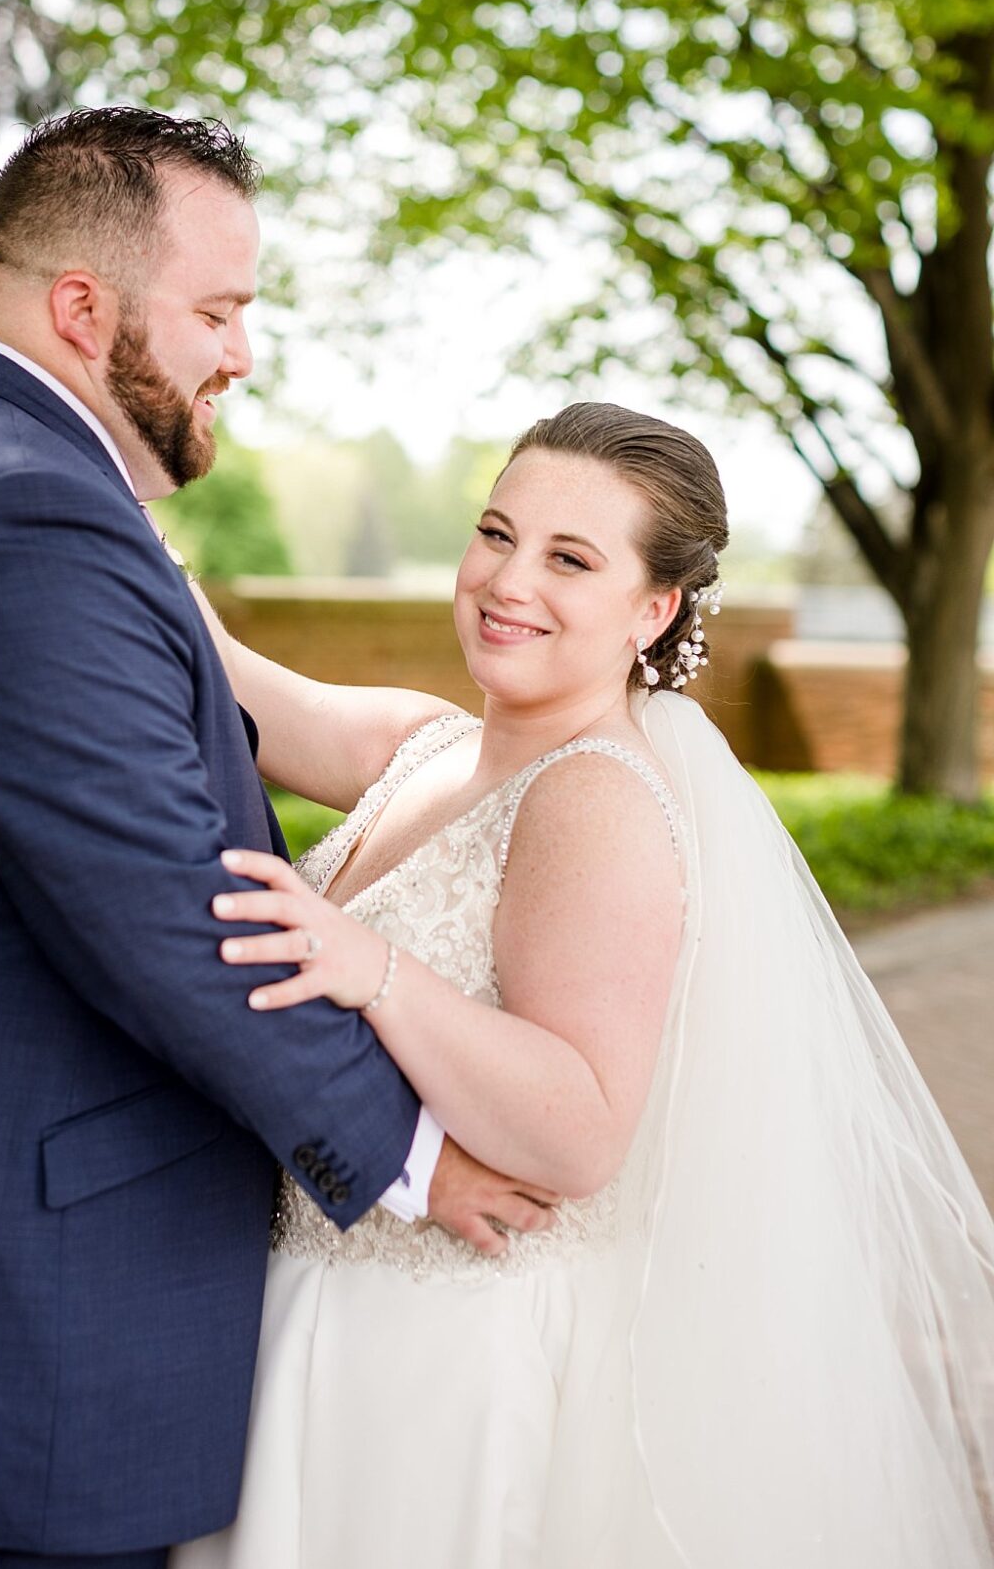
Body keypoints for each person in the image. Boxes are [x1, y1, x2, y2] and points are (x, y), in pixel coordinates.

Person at [0, 107, 553, 1568]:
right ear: (83, 307)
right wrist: (412, 1153)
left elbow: (257, 729)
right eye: (218, 310)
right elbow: (171, 910)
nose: (242, 352)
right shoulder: (15, 507)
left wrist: (524, 754)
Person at [171, 403, 994, 1568]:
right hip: (313, 1312)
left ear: (651, 611)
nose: (508, 581)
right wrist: (101, 491)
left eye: (568, 559)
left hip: (427, 1360)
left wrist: (374, 971)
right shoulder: (426, 743)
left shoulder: (594, 801)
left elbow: (580, 1127)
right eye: (495, 534)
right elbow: (225, 677)